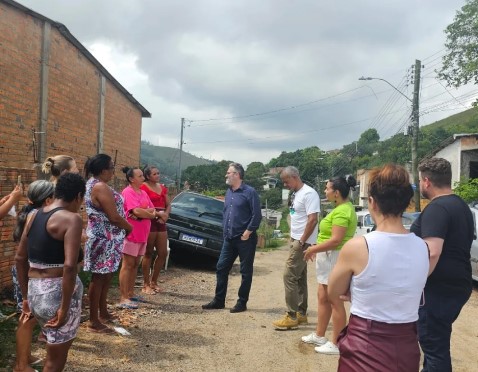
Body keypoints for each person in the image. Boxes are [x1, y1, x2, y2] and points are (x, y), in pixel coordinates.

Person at [328, 164, 429, 371]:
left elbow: (334, 292)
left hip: (365, 343)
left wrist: (354, 289)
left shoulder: (358, 246)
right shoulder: (422, 247)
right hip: (407, 345)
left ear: (372, 202)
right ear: (407, 203)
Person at [15, 173, 86, 372]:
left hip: (36, 292)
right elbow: (70, 266)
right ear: (78, 196)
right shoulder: (72, 219)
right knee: (55, 362)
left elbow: (20, 258)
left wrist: (26, 297)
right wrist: (64, 308)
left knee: (52, 354)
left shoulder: (33, 215)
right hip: (57, 294)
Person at [410, 157, 474, 372]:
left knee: (434, 347)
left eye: (420, 181)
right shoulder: (461, 205)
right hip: (457, 284)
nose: (420, 186)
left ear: (427, 181)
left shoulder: (437, 208)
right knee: (436, 343)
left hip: (437, 288)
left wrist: (416, 282)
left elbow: (432, 251)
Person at [302, 175, 357, 355]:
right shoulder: (340, 208)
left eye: (327, 188)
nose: (325, 191)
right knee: (323, 296)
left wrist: (313, 249)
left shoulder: (342, 211)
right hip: (328, 258)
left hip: (335, 257)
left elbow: (335, 240)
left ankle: (337, 342)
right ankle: (320, 335)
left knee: (334, 300)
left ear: (337, 193)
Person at [202, 162, 262, 313]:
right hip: (229, 238)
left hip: (245, 239)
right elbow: (226, 213)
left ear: (237, 175)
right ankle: (219, 300)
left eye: (229, 172)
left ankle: (242, 303)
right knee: (221, 267)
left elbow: (257, 215)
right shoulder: (229, 192)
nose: (226, 175)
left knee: (245, 271)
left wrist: (247, 232)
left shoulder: (250, 192)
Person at [83, 154, 132, 332]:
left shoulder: (93, 184)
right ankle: (93, 320)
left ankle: (102, 312)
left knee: (106, 276)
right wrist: (129, 227)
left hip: (109, 239)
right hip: (104, 239)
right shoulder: (100, 186)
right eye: (111, 168)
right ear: (103, 170)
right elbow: (113, 217)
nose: (113, 171)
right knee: (98, 277)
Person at [12, 181, 54, 372]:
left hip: (25, 271)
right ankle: (21, 365)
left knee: (28, 317)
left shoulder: (28, 214)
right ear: (48, 199)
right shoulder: (36, 217)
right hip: (29, 272)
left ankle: (25, 356)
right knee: (27, 317)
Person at [272, 166, 320, 330]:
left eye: (286, 181)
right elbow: (296, 216)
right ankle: (301, 313)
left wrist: (302, 241)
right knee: (299, 278)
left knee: (289, 276)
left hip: (301, 242)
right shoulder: (296, 194)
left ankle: (291, 316)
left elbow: (313, 219)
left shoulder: (309, 193)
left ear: (294, 177)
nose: (285, 185)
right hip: (297, 239)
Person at [118, 166, 159, 309]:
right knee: (127, 265)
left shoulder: (142, 192)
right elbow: (135, 211)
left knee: (135, 264)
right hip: (132, 234)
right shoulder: (127, 192)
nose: (143, 178)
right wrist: (143, 212)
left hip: (143, 234)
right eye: (140, 176)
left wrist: (143, 213)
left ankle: (130, 293)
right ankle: (123, 297)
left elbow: (153, 211)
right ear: (131, 179)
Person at [140, 165, 171, 294]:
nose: (157, 175)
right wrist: (158, 214)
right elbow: (143, 205)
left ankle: (154, 281)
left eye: (158, 173)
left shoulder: (162, 188)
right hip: (150, 219)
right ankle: (146, 283)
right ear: (147, 176)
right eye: (154, 174)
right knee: (148, 252)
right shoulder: (143, 188)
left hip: (161, 220)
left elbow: (168, 204)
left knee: (163, 252)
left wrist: (165, 216)